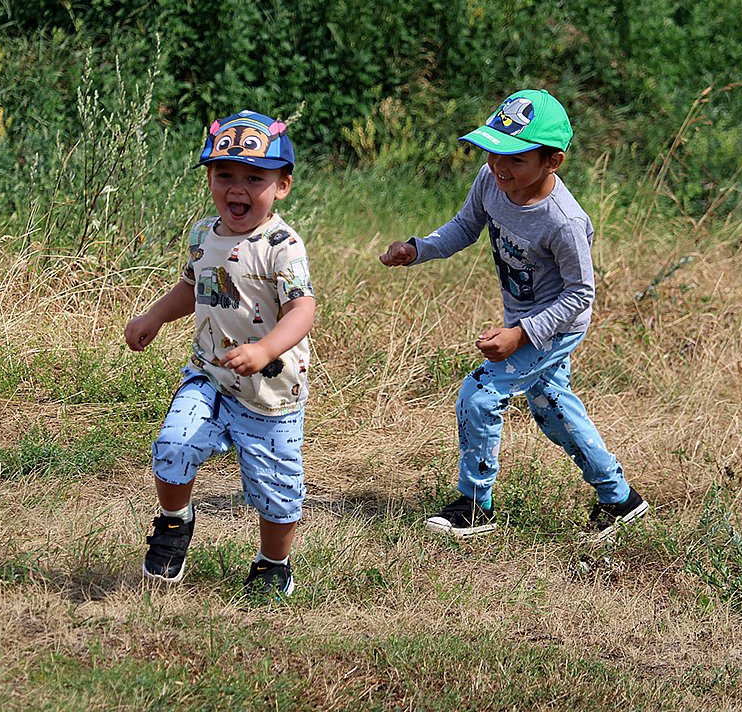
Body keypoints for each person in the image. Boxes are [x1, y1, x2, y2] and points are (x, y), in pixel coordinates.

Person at [379, 89, 647, 542]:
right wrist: (417, 249)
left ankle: (475, 506)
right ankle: (620, 499)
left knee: (480, 394)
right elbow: (465, 226)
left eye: (516, 158)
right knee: (553, 408)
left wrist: (520, 335)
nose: (499, 165)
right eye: (493, 151)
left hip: (554, 327)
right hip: (524, 320)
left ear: (552, 162)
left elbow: (580, 294)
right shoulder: (492, 182)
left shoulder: (563, 221)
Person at [124, 110, 315, 596]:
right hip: (208, 373)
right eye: (224, 175)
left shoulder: (282, 246)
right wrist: (153, 316)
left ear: (282, 186)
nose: (237, 189)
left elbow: (302, 310)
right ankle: (174, 521)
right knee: (173, 445)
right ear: (209, 179)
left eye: (254, 178)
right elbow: (193, 288)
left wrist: (264, 349)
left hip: (269, 390)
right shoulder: (202, 235)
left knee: (276, 492)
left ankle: (273, 564)